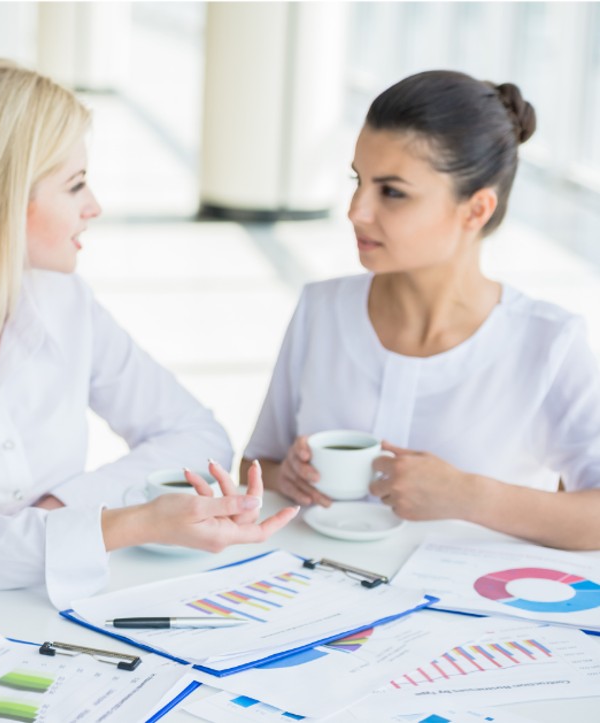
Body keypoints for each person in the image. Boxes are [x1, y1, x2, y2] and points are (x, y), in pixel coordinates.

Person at [0, 59, 297, 609]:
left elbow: (196, 434)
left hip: (68, 610)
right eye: (75, 184)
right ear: (0, 200)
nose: (94, 207)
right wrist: (123, 523)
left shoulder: (63, 302)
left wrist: (61, 509)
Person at [242, 70, 600, 549]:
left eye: (391, 192)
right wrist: (288, 473)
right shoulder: (320, 310)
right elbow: (256, 464)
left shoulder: (548, 340)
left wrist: (470, 496)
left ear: (476, 210)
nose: (356, 210)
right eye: (358, 180)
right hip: (313, 600)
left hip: (468, 611)